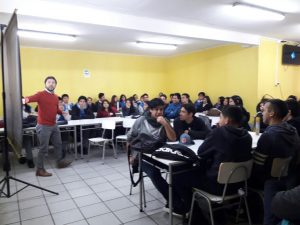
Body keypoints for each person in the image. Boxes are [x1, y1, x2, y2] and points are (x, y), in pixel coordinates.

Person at [250, 99, 300, 225]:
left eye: (264, 110)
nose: (262, 113)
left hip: (270, 181)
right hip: (290, 177)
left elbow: (258, 165)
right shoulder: (293, 131)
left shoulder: (268, 135)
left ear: (271, 113)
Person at [127, 98, 177, 211]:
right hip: (141, 155)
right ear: (150, 110)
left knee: (177, 171)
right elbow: (130, 138)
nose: (159, 112)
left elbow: (173, 138)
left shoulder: (165, 121)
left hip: (159, 154)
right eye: (156, 109)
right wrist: (130, 156)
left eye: (161, 109)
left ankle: (179, 199)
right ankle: (174, 201)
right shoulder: (141, 120)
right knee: (154, 173)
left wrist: (165, 124)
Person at [24, 76, 72, 177]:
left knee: (58, 144)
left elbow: (55, 109)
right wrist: (23, 100)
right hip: (43, 125)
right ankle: (39, 170)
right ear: (45, 84)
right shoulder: (40, 94)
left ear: (55, 85)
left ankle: (59, 162)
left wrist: (62, 111)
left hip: (53, 124)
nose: (51, 84)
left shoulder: (55, 97)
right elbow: (30, 98)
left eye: (53, 82)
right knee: (43, 148)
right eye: (49, 82)